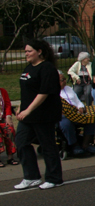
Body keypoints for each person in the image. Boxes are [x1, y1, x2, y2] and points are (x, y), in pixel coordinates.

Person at [13, 40, 64, 190]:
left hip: (44, 114)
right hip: (28, 115)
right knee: (21, 142)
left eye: (29, 51)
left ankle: (54, 178)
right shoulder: (29, 68)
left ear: (39, 51)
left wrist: (28, 110)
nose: (26, 54)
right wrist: (20, 108)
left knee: (47, 145)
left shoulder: (47, 68)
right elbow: (26, 91)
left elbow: (44, 93)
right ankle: (31, 176)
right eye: (25, 51)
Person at [58, 72, 95, 157]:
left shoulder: (69, 89)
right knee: (66, 123)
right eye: (62, 80)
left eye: (65, 79)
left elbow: (77, 101)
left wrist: (81, 107)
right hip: (63, 115)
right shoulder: (52, 92)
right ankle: (75, 146)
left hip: (76, 113)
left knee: (91, 119)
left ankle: (86, 144)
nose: (65, 81)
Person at [0, 86, 18, 166]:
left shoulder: (3, 91)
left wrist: (8, 116)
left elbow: (7, 105)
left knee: (9, 130)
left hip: (3, 117)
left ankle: (10, 157)